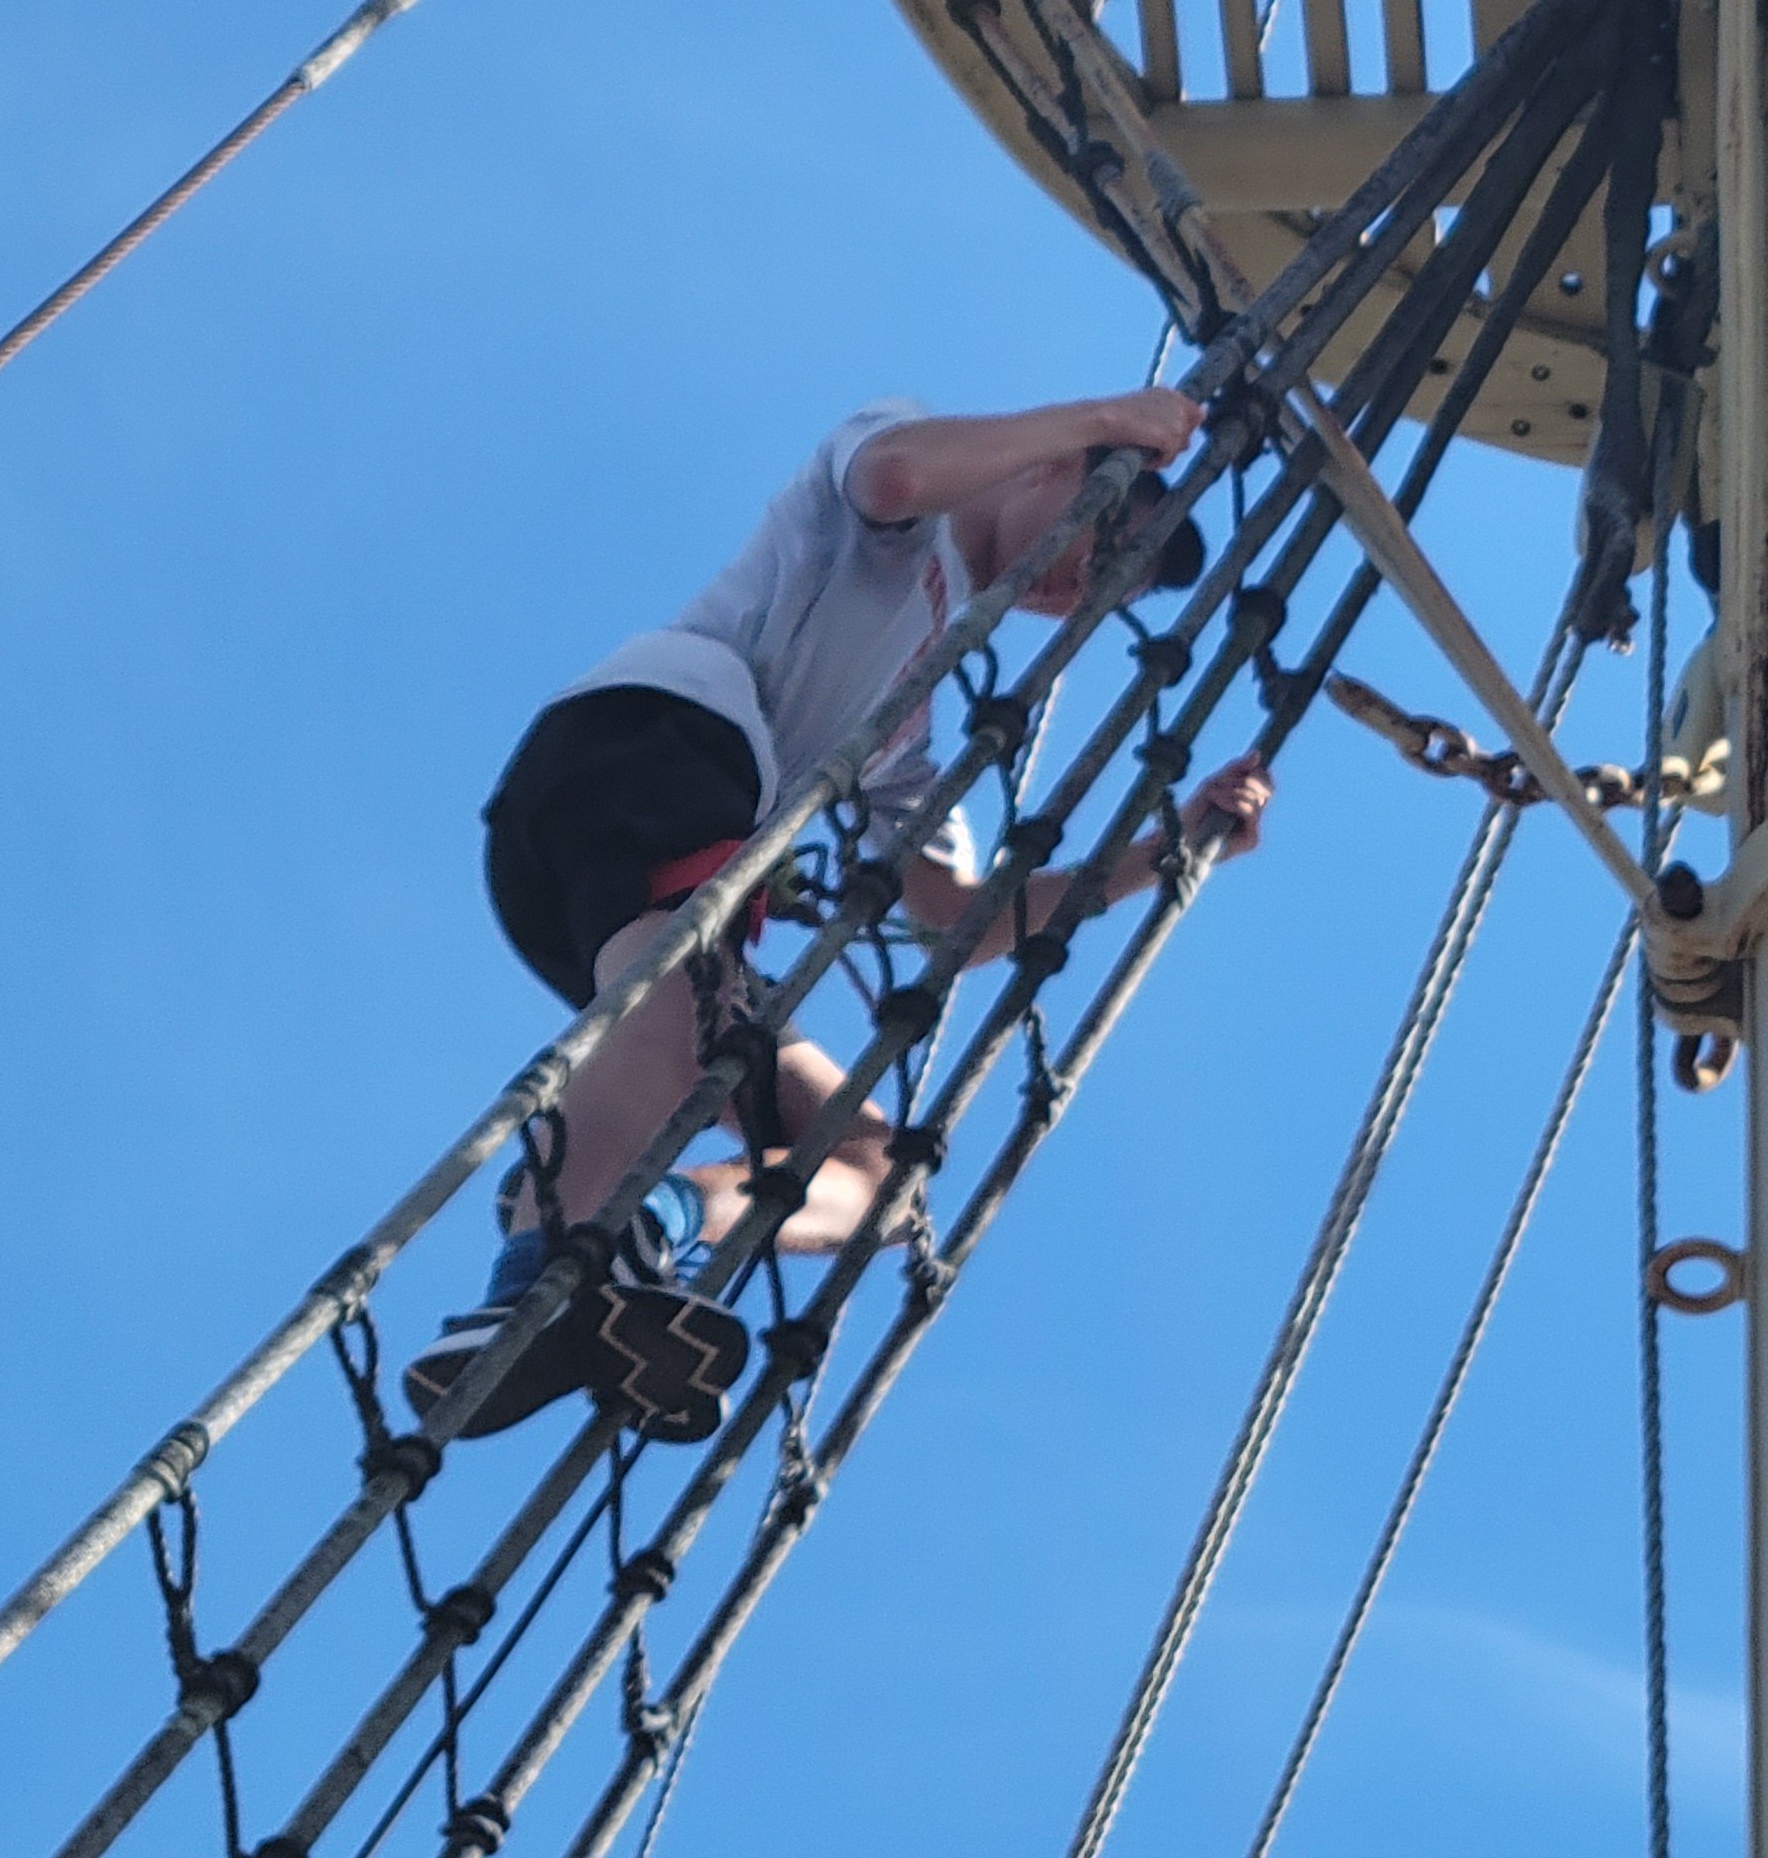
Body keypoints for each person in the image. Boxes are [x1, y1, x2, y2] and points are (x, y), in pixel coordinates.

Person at [405, 390, 1275, 1439]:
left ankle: (651, 1232)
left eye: (1105, 585)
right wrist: (1104, 422)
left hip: (622, 868)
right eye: (1102, 536)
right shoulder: (896, 490)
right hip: (650, 745)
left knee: (879, 1176)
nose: (1078, 585)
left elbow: (961, 923)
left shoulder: (907, 722)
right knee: (684, 998)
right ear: (1057, 473)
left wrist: (1163, 851)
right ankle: (546, 1263)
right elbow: (893, 477)